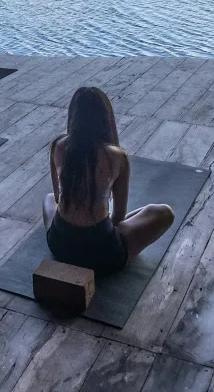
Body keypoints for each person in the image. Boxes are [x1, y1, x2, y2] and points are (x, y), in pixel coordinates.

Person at [43, 87, 175, 276]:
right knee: (164, 213)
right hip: (104, 255)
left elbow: (57, 197)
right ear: (106, 119)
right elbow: (119, 217)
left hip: (59, 245)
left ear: (73, 116)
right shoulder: (117, 156)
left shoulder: (59, 146)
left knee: (48, 199)